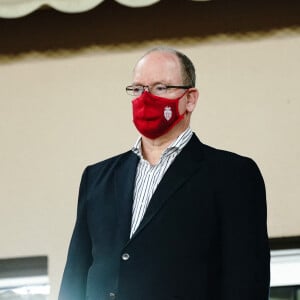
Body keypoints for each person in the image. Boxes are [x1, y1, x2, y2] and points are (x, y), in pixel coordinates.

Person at [59, 47, 270, 300]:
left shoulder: (233, 175)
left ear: (190, 99)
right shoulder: (97, 178)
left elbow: (246, 281)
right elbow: (75, 274)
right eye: (138, 89)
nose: (146, 98)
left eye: (161, 88)